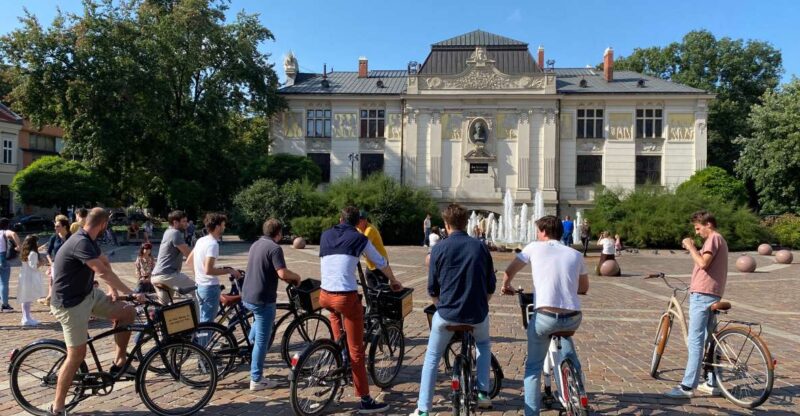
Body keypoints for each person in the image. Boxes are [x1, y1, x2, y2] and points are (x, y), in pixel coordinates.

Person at [49, 208, 145, 415]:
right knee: (77, 355)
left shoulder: (89, 239)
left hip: (87, 296)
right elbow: (100, 270)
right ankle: (57, 406)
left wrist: (113, 290)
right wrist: (132, 292)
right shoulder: (80, 242)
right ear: (103, 224)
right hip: (69, 304)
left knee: (127, 311)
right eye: (106, 225)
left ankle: (119, 362)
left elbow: (104, 263)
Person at [410, 204, 496, 416]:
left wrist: (442, 307)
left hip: (446, 314)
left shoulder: (438, 249)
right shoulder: (481, 247)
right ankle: (484, 393)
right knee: (483, 345)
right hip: (477, 314)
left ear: (446, 225)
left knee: (432, 357)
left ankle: (423, 410)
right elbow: (491, 285)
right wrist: (481, 303)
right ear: (466, 223)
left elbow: (432, 289)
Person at [500, 215, 589, 416]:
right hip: (573, 317)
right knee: (566, 341)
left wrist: (506, 286)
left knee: (532, 368)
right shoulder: (575, 254)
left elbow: (509, 270)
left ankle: (531, 413)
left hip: (545, 317)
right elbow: (584, 287)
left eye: (538, 231)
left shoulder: (533, 247)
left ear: (544, 232)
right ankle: (579, 388)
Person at [319, 206, 402, 413]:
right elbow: (380, 262)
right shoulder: (360, 238)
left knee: (338, 324)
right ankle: (365, 400)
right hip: (345, 298)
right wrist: (393, 280)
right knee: (357, 351)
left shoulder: (325, 235)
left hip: (324, 295)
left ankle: (340, 356)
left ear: (340, 219)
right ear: (358, 223)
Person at [666, 210, 729, 399]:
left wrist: (690, 246)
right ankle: (712, 381)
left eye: (698, 228)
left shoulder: (713, 239)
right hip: (712, 293)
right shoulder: (719, 240)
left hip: (703, 294)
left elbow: (703, 263)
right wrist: (694, 248)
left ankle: (687, 386)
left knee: (696, 340)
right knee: (710, 340)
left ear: (708, 224)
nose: (696, 232)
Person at [241, 218, 301, 391]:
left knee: (259, 328)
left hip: (248, 295)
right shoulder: (275, 248)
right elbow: (282, 273)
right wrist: (296, 277)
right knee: (262, 340)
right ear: (279, 233)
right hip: (263, 299)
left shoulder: (256, 244)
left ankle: (251, 345)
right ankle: (256, 379)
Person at [186, 212, 240, 323]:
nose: (224, 227)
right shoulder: (213, 244)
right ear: (217, 227)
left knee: (202, 321)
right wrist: (229, 270)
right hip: (209, 288)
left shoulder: (201, 240)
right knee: (207, 324)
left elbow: (189, 261)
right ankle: (204, 341)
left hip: (199, 286)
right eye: (223, 225)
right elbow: (208, 270)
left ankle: (199, 340)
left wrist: (199, 276)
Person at [151, 211, 196, 307]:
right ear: (175, 222)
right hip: (168, 274)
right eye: (184, 221)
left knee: (164, 308)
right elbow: (189, 255)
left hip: (156, 275)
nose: (186, 224)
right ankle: (200, 321)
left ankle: (154, 320)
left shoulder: (168, 232)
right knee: (199, 291)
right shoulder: (175, 233)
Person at [38, 215, 71, 306]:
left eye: (57, 226)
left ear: (64, 227)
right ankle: (53, 303)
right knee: (54, 283)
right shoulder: (54, 237)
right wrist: (51, 262)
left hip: (69, 264)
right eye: (55, 226)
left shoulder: (71, 236)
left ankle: (62, 302)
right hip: (56, 264)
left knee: (67, 283)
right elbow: (47, 252)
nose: (55, 228)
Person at [356, 210, 389, 288]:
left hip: (380, 264)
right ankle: (372, 300)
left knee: (382, 290)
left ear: (365, 220)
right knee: (371, 290)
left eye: (359, 221)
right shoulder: (358, 229)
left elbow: (362, 246)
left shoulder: (370, 230)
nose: (357, 223)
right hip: (370, 264)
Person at [18, 235, 46, 326]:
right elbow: (33, 267)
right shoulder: (33, 253)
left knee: (25, 298)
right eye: (36, 242)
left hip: (24, 276)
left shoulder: (25, 251)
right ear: (33, 243)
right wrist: (42, 263)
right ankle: (26, 318)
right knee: (27, 299)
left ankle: (26, 317)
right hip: (30, 277)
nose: (38, 243)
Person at [0, 218, 22, 312]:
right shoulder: (4, 232)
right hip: (2, 257)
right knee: (4, 282)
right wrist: (18, 246)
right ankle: (4, 305)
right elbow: (13, 234)